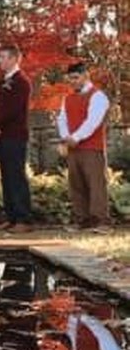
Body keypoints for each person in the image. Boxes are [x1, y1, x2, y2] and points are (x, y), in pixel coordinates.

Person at [57, 61, 111, 233]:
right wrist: (65, 136)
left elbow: (93, 121)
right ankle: (82, 220)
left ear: (86, 75)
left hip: (92, 147)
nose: (72, 81)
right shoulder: (68, 98)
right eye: (70, 78)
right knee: (76, 185)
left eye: (75, 77)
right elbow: (61, 119)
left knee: (95, 184)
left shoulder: (98, 96)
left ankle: (101, 221)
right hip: (73, 148)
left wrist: (76, 137)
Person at [0, 45, 32, 234]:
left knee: (16, 176)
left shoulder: (21, 82)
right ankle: (11, 216)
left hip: (15, 136)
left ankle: (23, 218)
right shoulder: (3, 81)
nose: (0, 61)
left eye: (3, 57)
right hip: (2, 135)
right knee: (7, 177)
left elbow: (13, 110)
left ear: (14, 59)